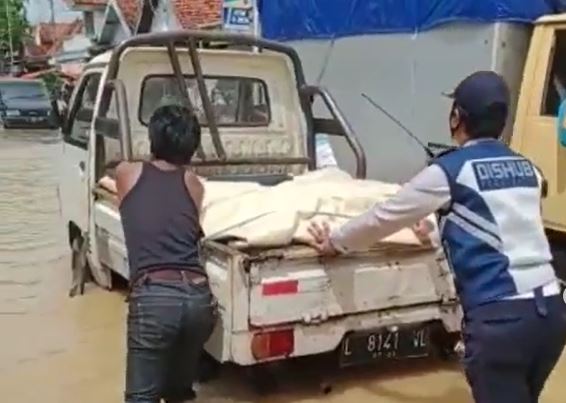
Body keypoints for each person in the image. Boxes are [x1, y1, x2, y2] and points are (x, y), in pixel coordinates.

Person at [307, 71, 566, 403]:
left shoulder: (450, 170)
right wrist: (435, 232)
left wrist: (335, 243)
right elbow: (504, 227)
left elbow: (382, 218)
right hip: (551, 317)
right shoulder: (529, 169)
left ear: (457, 116)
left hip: (501, 320)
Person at [116, 105, 216, 403]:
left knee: (141, 398)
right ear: (192, 147)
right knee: (178, 393)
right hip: (199, 301)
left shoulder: (127, 173)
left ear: (153, 138)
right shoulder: (194, 185)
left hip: (155, 299)